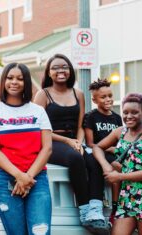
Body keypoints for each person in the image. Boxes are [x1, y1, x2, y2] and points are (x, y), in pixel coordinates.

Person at [0, 63, 52, 235]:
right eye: (10, 77)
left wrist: (27, 177)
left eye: (20, 78)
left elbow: (47, 148)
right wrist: (19, 176)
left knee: (40, 232)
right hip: (5, 180)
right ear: (3, 81)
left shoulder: (38, 111)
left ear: (26, 82)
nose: (14, 82)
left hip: (37, 179)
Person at [34, 54, 96, 227]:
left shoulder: (79, 94)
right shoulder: (43, 94)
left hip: (74, 141)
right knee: (75, 158)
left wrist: (78, 141)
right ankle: (85, 211)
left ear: (70, 70)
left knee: (94, 160)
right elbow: (39, 129)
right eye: (55, 67)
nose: (60, 70)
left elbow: (81, 125)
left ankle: (96, 208)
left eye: (64, 67)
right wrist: (69, 142)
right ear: (48, 72)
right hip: (50, 141)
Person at [93, 93, 142, 235]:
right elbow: (97, 147)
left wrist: (119, 177)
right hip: (127, 194)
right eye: (125, 112)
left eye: (134, 112)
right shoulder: (120, 132)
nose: (129, 116)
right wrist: (106, 166)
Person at [83, 78, 123, 227]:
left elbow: (121, 140)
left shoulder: (117, 118)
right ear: (94, 100)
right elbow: (90, 143)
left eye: (110, 96)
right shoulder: (91, 116)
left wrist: (116, 149)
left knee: (120, 166)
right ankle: (113, 209)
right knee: (114, 167)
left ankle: (117, 206)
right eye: (103, 97)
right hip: (98, 152)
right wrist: (108, 148)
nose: (108, 99)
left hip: (115, 153)